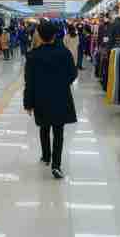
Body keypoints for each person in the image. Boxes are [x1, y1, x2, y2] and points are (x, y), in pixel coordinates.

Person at [24, 21, 78, 179]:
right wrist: (62, 84)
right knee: (59, 131)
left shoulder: (33, 56)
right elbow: (73, 74)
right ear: (55, 35)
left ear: (40, 36)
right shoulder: (64, 53)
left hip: (41, 98)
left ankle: (46, 156)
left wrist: (28, 103)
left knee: (44, 127)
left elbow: (29, 82)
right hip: (60, 97)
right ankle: (56, 165)